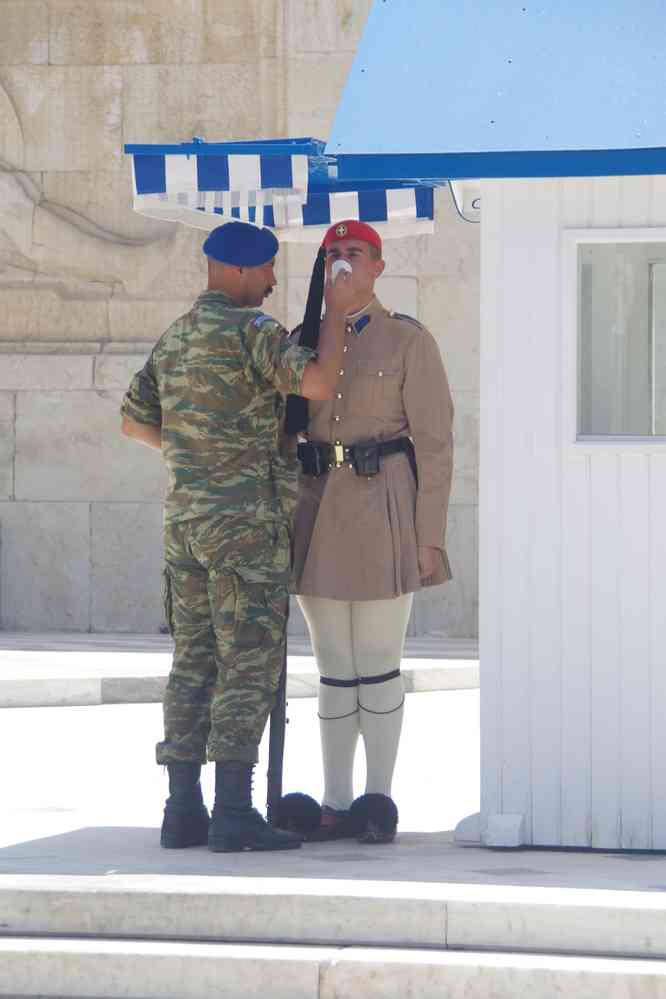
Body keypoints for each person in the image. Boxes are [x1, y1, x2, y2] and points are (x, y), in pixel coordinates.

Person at [120, 220, 357, 853]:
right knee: (247, 661)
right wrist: (333, 317)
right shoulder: (253, 333)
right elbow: (316, 383)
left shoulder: (176, 338)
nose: (275, 281)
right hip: (245, 528)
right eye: (270, 270)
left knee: (192, 663)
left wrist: (198, 459)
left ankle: (182, 810)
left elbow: (133, 421)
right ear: (241, 271)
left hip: (186, 526)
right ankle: (232, 812)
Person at [285, 219, 454, 844]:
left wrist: (428, 535)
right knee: (333, 665)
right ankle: (333, 799)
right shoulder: (302, 339)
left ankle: (377, 798)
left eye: (354, 254)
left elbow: (435, 445)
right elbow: (281, 435)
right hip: (319, 504)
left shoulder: (408, 341)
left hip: (384, 501)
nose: (342, 264)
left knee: (379, 663)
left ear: (378, 266)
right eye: (333, 254)